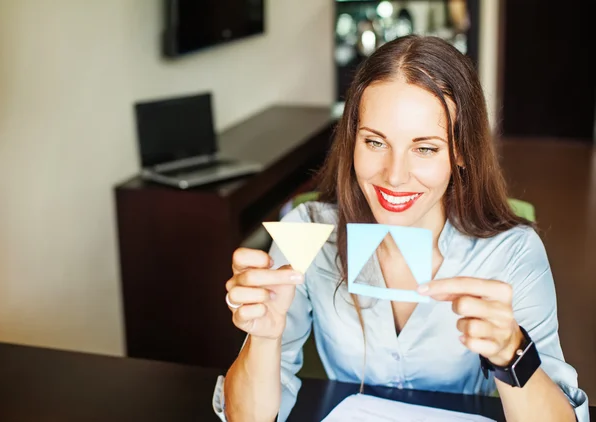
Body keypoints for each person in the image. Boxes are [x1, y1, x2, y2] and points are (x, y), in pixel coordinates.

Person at [214, 35, 588, 422]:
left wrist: (513, 354)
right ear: (352, 140)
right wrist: (263, 337)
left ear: (459, 151)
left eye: (424, 148)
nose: (394, 176)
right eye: (375, 142)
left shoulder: (512, 254)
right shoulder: (307, 236)